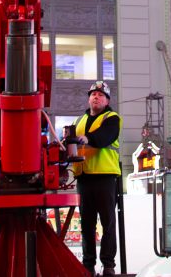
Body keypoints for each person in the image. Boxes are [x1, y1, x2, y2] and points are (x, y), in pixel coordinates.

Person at [72, 81, 123, 277]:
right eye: (93, 94)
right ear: (88, 98)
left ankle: (108, 265)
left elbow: (104, 138)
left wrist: (87, 138)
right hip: (84, 178)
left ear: (107, 100)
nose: (96, 97)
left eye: (101, 95)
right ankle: (88, 265)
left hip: (105, 177)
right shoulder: (79, 122)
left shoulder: (112, 118)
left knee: (108, 223)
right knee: (86, 224)